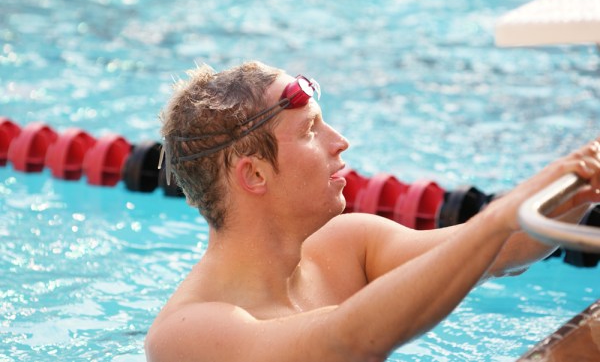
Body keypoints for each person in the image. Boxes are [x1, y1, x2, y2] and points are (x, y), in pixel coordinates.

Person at [146, 60, 600, 362]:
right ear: (256, 175)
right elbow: (350, 340)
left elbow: (508, 247)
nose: (340, 141)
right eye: (310, 131)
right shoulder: (187, 333)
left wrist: (584, 181)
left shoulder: (347, 245)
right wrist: (497, 216)